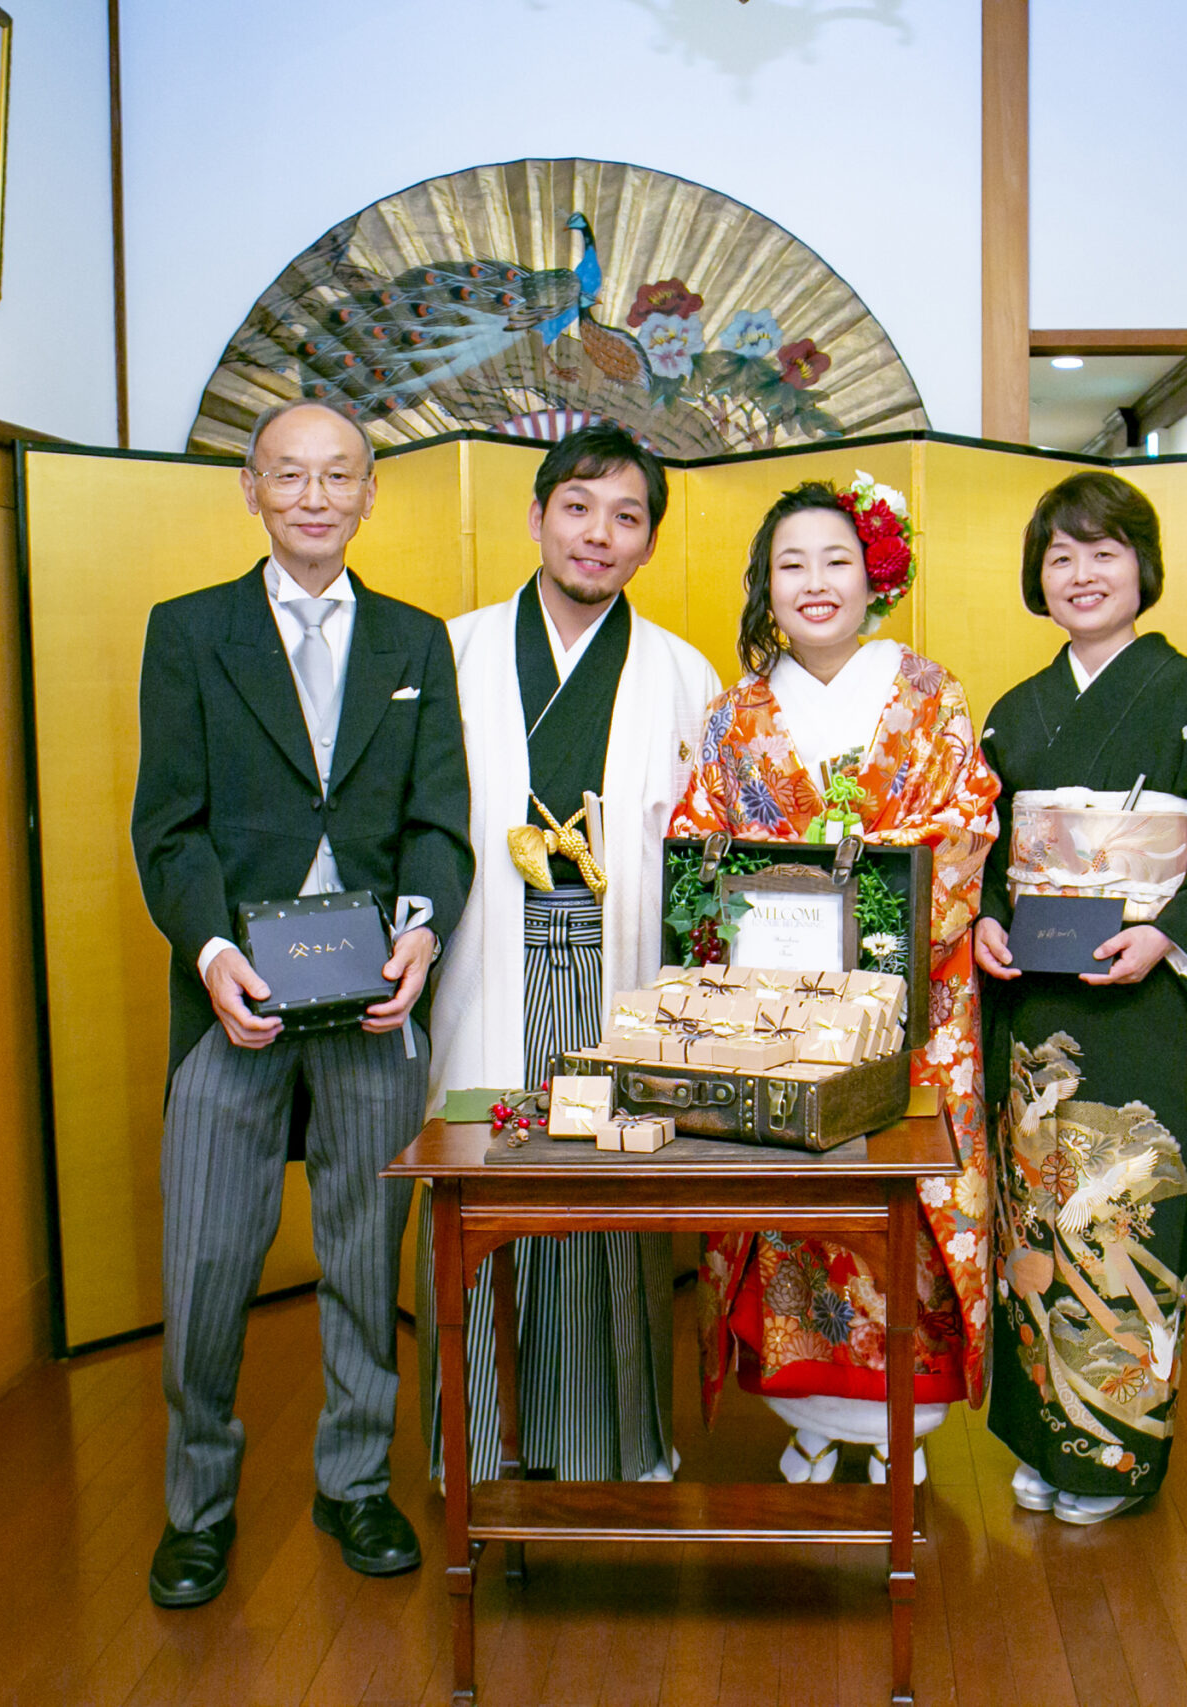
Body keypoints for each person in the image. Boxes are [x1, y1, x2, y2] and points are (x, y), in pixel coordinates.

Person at [131, 398, 473, 1605]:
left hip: (371, 1003)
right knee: (206, 1264)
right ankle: (198, 1505)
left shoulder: (415, 642)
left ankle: (356, 1484)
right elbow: (167, 827)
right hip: (238, 995)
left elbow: (438, 823)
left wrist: (422, 933)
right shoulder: (188, 631)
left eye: (338, 476)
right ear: (251, 490)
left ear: (370, 493)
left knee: (362, 1258)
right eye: (290, 475)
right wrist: (211, 951)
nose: (315, 497)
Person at [668, 478, 1000, 1484]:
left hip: (909, 1008)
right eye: (791, 564)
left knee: (899, 1198)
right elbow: (698, 840)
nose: (814, 582)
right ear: (765, 587)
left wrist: (864, 923)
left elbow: (966, 826)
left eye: (835, 560)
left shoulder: (931, 695)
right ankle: (806, 1415)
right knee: (792, 1206)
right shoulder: (733, 718)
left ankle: (905, 1424)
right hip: (775, 1012)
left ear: (873, 576)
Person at [424, 421, 720, 1486]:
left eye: (626, 516)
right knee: (484, 1186)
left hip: (621, 973)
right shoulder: (452, 652)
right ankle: (479, 1457)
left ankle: (617, 1445)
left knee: (611, 1199)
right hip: (486, 967)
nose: (599, 534)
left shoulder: (683, 673)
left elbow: (700, 866)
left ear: (649, 542)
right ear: (537, 516)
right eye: (578, 507)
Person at [971, 472, 1187, 1524]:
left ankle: (1112, 1453)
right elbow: (979, 851)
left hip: (1143, 998)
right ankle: (1043, 1433)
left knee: (1125, 1216)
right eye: (1061, 556)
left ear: (1142, 568)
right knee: (1034, 1213)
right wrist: (984, 919)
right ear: (1037, 578)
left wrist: (1168, 932)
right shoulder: (1015, 712)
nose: (1082, 574)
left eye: (1104, 552)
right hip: (1036, 999)